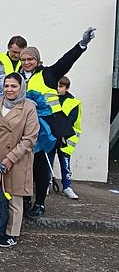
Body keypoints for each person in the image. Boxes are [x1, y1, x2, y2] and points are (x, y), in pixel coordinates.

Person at [13, 28, 95, 218]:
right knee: (24, 167)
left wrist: (82, 45)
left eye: (30, 59)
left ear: (37, 60)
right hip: (23, 127)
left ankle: (39, 203)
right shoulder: (17, 77)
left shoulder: (49, 74)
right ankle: (25, 200)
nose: (26, 62)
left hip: (46, 130)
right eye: (23, 60)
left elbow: (66, 61)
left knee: (41, 168)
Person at [0, 73, 40, 248]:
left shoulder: (29, 108)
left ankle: (11, 234)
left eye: (14, 86)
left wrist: (11, 158)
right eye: (6, 86)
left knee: (14, 198)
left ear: (21, 87)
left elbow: (30, 138)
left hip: (17, 160)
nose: (9, 89)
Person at [53, 76, 81, 200]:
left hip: (65, 138)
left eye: (61, 86)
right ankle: (46, 183)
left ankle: (67, 186)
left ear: (67, 88)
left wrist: (61, 132)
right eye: (56, 86)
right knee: (47, 162)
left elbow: (71, 119)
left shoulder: (73, 102)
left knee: (65, 164)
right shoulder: (50, 99)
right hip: (51, 136)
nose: (58, 88)